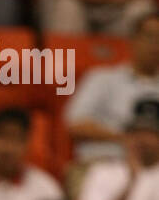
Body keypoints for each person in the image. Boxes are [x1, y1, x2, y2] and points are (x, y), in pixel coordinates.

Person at [65, 10, 159, 164]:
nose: (156, 46)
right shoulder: (102, 78)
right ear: (133, 40)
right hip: (104, 161)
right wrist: (125, 138)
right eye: (150, 37)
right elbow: (75, 124)